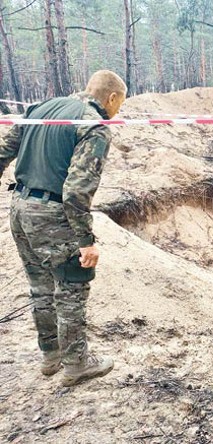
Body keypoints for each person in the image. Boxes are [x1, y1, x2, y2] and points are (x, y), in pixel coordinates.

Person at [0, 70, 127, 387]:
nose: (117, 112)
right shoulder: (93, 126)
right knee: (70, 289)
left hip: (19, 208)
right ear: (111, 98)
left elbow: (2, 152)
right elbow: (76, 190)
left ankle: (51, 355)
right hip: (55, 217)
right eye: (119, 105)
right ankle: (76, 363)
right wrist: (86, 240)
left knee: (40, 287)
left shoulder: (39, 109)